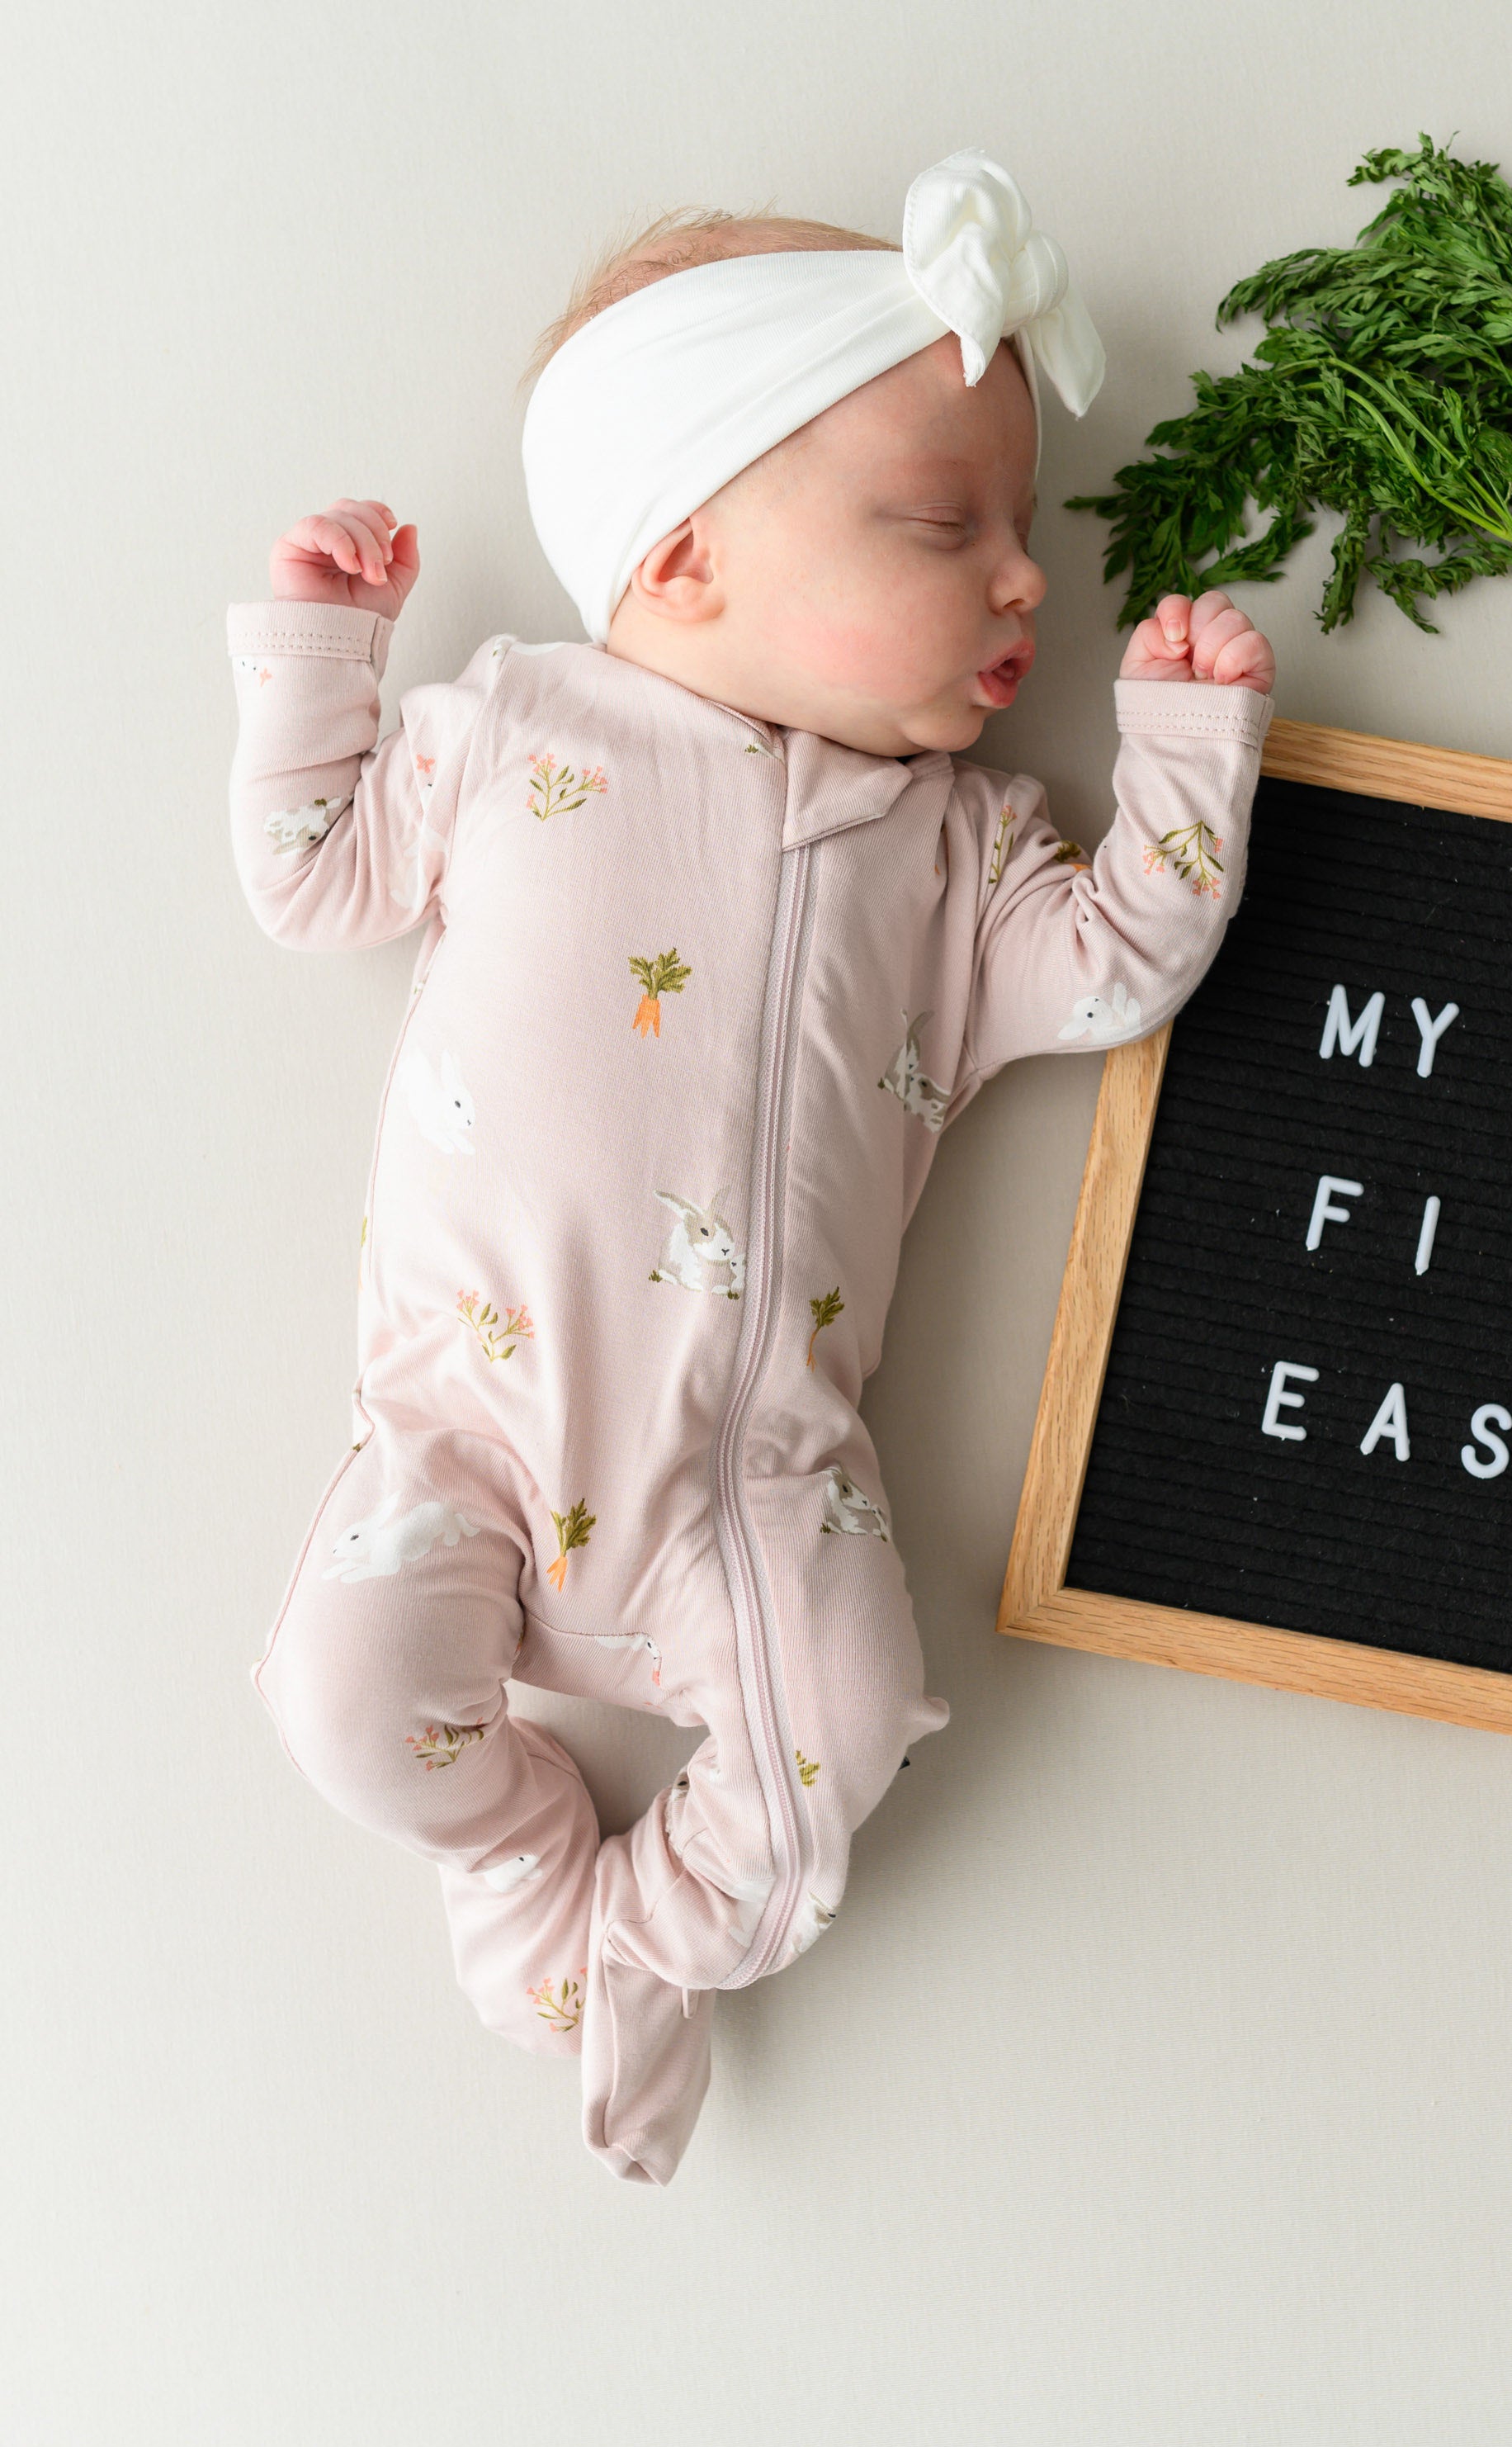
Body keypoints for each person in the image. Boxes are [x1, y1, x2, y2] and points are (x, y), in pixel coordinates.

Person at [227, 152, 1274, 2183]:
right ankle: (530, 1866)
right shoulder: (520, 726)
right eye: (942, 526)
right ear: (684, 554)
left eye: (1021, 534)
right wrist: (322, 653)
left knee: (844, 1737)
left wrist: (1177, 764)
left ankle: (630, 1954)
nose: (1026, 583)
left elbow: (1122, 965)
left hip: (753, 1490)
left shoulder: (959, 851)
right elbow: (310, 875)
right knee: (340, 1700)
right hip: (466, 1440)